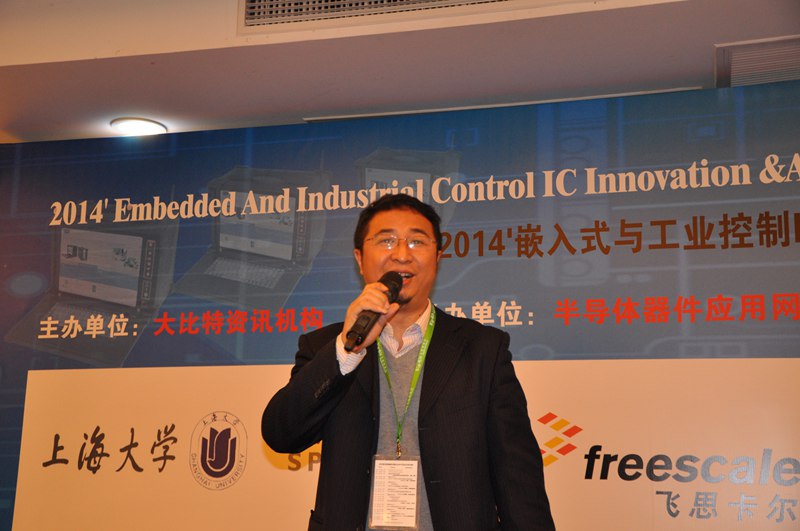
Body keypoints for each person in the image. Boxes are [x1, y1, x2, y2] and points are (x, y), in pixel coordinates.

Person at [262, 194, 555, 531]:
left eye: (417, 241)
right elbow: (281, 434)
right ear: (359, 258)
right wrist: (347, 350)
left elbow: (518, 478)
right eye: (386, 240)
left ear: (437, 257)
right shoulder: (328, 347)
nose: (402, 254)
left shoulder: (483, 349)